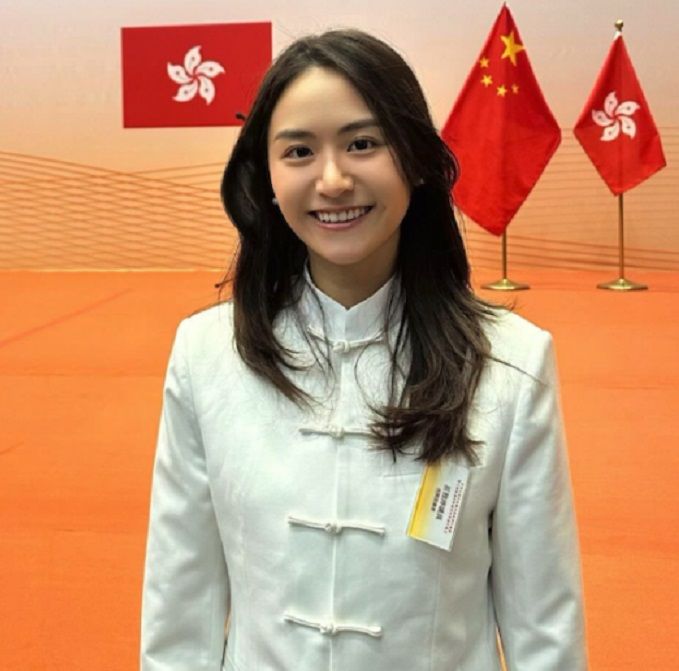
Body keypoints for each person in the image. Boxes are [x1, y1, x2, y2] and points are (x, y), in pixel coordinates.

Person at [140, 29, 587, 671]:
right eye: (299, 151)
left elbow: (545, 626)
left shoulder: (510, 364)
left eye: (363, 143)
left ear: (416, 160)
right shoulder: (207, 355)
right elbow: (180, 604)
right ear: (266, 178)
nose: (333, 180)